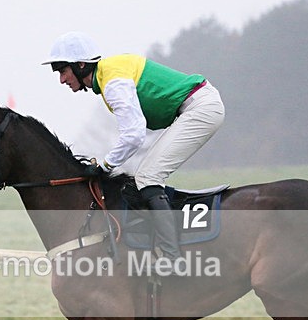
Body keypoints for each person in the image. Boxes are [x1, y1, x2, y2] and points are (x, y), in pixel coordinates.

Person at [42, 31, 225, 264]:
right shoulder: (109, 74)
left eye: (62, 70)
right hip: (196, 106)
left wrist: (105, 165)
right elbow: (138, 133)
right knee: (145, 177)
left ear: (80, 65)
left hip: (200, 108)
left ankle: (172, 258)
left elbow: (134, 135)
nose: (61, 79)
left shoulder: (112, 80)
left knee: (148, 177)